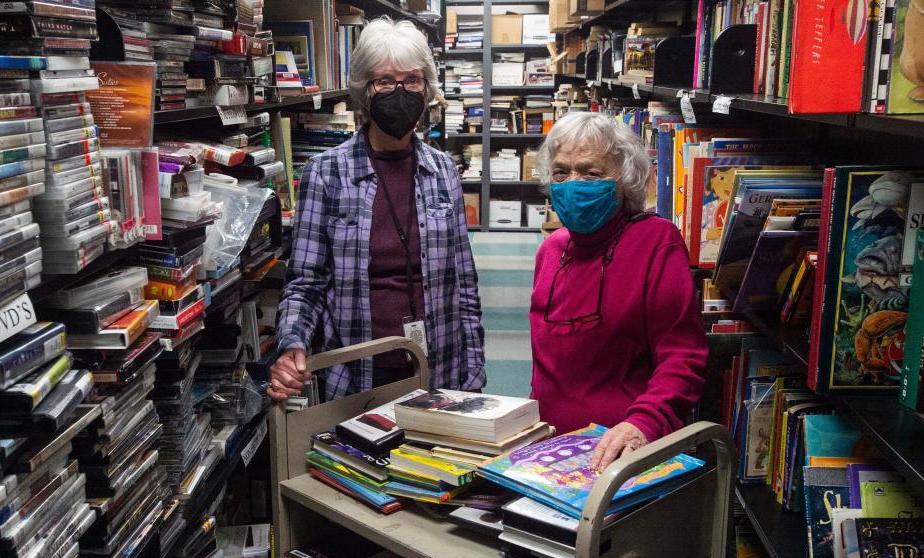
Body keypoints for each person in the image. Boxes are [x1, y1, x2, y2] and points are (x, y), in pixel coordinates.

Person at [268, 17, 485, 402]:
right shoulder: (326, 173)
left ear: (427, 89)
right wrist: (292, 342)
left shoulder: (443, 172)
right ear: (364, 91)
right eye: (385, 81)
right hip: (356, 372)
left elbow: (463, 283)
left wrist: (474, 372)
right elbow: (306, 281)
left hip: (438, 366)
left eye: (412, 80)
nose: (400, 92)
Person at [529, 112, 708, 472]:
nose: (572, 183)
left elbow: (683, 357)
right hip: (547, 451)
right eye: (561, 172)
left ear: (625, 180)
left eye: (591, 173)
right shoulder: (551, 250)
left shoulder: (656, 242)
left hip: (621, 454)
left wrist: (643, 423)